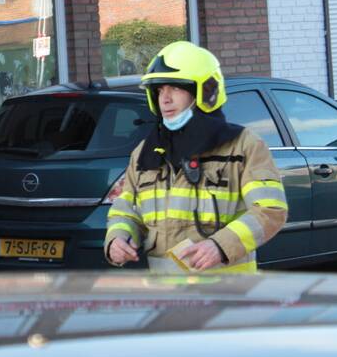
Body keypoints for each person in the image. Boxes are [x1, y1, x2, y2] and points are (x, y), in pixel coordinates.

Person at [105, 41, 288, 273]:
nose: (165, 98)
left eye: (176, 88)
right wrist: (118, 239)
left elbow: (270, 210)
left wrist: (220, 246)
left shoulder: (243, 146)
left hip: (227, 295)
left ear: (206, 92)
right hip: (168, 298)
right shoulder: (145, 153)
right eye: (159, 90)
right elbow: (125, 210)